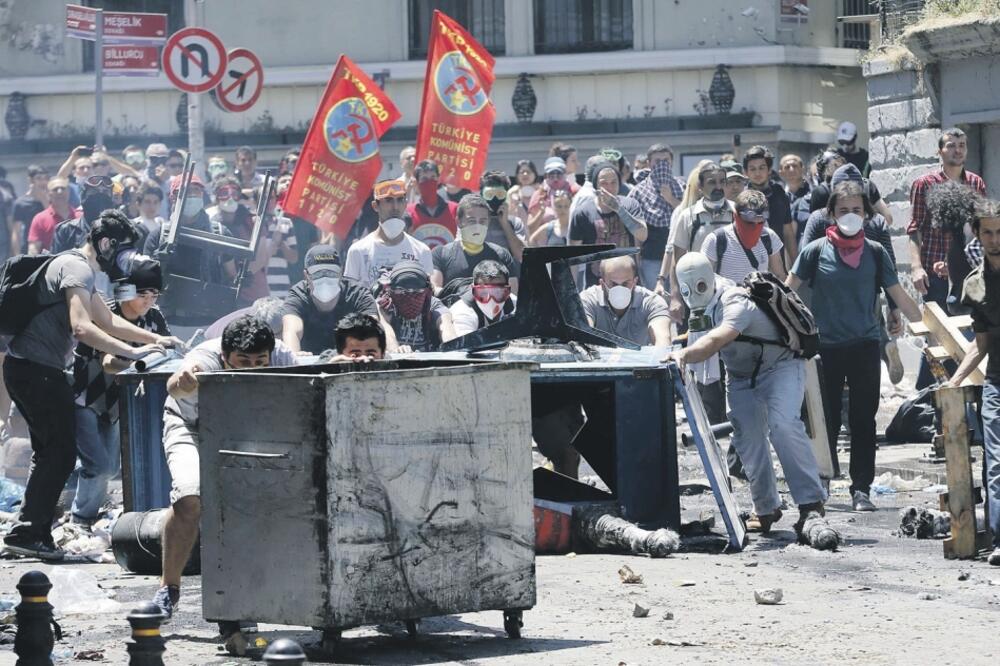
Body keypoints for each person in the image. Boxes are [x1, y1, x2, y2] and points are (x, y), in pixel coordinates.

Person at [2, 211, 177, 560]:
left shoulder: (84, 272)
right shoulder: (76, 268)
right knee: (62, 453)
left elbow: (108, 319)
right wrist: (132, 351)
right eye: (124, 251)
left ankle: (28, 530)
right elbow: (82, 327)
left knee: (52, 451)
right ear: (107, 243)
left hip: (30, 368)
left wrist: (157, 339)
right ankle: (30, 531)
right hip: (37, 370)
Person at [151, 316, 298, 624]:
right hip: (190, 426)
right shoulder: (203, 358)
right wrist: (184, 381)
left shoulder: (284, 357)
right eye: (242, 362)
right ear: (224, 357)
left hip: (244, 431)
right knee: (190, 497)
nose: (252, 369)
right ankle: (168, 588)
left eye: (260, 362)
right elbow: (175, 385)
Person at [669, 252, 828, 536]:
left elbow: (716, 340)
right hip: (741, 376)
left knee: (782, 425)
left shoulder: (733, 300)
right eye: (687, 289)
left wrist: (684, 355)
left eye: (700, 287)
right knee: (747, 437)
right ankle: (766, 508)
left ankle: (810, 503)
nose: (694, 294)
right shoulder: (700, 308)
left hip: (779, 366)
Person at [788, 181, 922, 512]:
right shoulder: (815, 250)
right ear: (831, 214)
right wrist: (788, 331)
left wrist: (925, 324)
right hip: (825, 348)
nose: (851, 216)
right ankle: (822, 482)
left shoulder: (875, 253)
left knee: (863, 420)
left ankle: (861, 488)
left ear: (866, 214)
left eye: (857, 210)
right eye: (844, 210)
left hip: (865, 345)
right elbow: (788, 293)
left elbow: (899, 295)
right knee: (825, 420)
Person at [69, 256, 173, 527]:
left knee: (111, 469)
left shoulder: (154, 318)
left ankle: (86, 513)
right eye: (142, 294)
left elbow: (165, 351)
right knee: (99, 466)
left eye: (154, 294)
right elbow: (108, 363)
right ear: (126, 290)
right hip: (86, 398)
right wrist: (139, 360)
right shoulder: (106, 314)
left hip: (118, 405)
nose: (148, 301)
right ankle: (80, 521)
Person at [907, 128, 987, 387]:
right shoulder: (925, 184)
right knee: (939, 337)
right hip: (934, 273)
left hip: (967, 272)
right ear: (940, 151)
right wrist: (917, 267)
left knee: (968, 333)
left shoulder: (975, 183)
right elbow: (915, 229)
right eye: (952, 145)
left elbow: (981, 229)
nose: (958, 150)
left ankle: (959, 389)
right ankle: (928, 393)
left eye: (962, 145)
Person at [947, 198, 1000, 566]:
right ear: (978, 237)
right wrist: (954, 381)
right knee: (996, 461)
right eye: (989, 233)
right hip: (998, 380)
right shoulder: (975, 286)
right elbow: (980, 345)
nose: (996, 239)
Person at [663, 162, 732, 321]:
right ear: (700, 187)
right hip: (698, 294)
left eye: (722, 182)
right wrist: (675, 296)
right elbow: (677, 260)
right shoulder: (688, 216)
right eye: (711, 182)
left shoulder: (736, 213)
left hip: (731, 294)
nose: (718, 187)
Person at [281, 244, 379, 354]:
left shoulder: (358, 295)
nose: (325, 279)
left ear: (341, 273)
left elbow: (374, 331)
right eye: (317, 274)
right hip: (309, 365)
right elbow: (291, 330)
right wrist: (295, 356)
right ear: (306, 275)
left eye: (331, 273)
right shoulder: (298, 295)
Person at [344, 179, 434, 290]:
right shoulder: (358, 251)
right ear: (375, 206)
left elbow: (428, 296)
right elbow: (350, 296)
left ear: (405, 204)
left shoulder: (421, 251)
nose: (395, 207)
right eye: (388, 200)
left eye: (400, 200)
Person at [570, 160, 647, 288]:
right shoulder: (582, 213)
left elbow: (642, 235)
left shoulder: (630, 205)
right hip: (595, 282)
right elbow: (573, 256)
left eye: (613, 182)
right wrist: (571, 287)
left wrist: (619, 209)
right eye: (604, 183)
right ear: (596, 186)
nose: (609, 187)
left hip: (628, 280)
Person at [432, 194, 519, 296]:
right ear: (458, 222)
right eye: (471, 221)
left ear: (488, 222)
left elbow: (513, 293)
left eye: (483, 221)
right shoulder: (441, 253)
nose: (478, 226)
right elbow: (435, 289)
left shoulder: (502, 254)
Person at [628, 143, 684, 289]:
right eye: (657, 161)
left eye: (666, 161)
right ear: (649, 163)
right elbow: (633, 226)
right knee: (657, 299)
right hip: (651, 257)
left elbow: (688, 214)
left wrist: (670, 198)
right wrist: (637, 258)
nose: (662, 165)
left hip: (679, 255)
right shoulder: (638, 191)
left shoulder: (682, 186)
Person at [580, 256, 670, 346]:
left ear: (635, 282)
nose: (620, 289)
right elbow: (584, 336)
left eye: (625, 283)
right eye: (613, 284)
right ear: (602, 284)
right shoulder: (587, 300)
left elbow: (663, 339)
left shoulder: (652, 302)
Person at [702, 189, 786, 284]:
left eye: (760, 219)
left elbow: (779, 276)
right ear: (736, 215)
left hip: (759, 297)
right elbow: (704, 278)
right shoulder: (716, 240)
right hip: (727, 297)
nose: (755, 223)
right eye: (750, 218)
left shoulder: (769, 237)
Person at [379, 261, 455, 352]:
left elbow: (446, 328)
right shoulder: (385, 305)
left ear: (427, 291)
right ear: (391, 290)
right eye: (402, 291)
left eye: (417, 292)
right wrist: (397, 350)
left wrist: (452, 348)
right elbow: (385, 330)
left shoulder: (433, 304)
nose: (410, 298)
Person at [743, 145, 796, 264]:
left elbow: (788, 232)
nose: (757, 173)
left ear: (769, 170)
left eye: (762, 168)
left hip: (778, 263)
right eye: (752, 169)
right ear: (746, 172)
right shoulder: (742, 199)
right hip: (751, 265)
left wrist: (795, 264)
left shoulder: (779, 193)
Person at [449, 259, 516, 336]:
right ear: (473, 289)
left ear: (507, 291)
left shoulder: (516, 306)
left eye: (497, 292)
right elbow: (466, 347)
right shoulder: (462, 313)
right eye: (483, 293)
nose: (491, 301)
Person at [405, 160, 458, 249]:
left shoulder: (454, 209)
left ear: (438, 180)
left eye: (433, 177)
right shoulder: (409, 212)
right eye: (424, 179)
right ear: (417, 183)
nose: (429, 182)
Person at [479, 171, 526, 262]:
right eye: (489, 195)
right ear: (482, 195)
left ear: (506, 195)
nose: (494, 199)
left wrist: (505, 224)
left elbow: (522, 256)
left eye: (500, 194)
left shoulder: (515, 222)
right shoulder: (472, 221)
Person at [526, 156, 579, 238]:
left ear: (565, 174)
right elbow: (530, 230)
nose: (555, 179)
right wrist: (541, 213)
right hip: (546, 243)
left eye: (559, 174)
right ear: (546, 176)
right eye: (551, 175)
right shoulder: (539, 195)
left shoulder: (575, 191)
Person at [27, 178, 78, 255]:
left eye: (63, 188)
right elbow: (33, 249)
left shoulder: (80, 216)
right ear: (48, 193)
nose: (59, 192)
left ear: (69, 191)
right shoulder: (40, 219)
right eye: (55, 189)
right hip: (51, 265)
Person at [10, 164, 49, 257]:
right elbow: (16, 232)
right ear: (31, 180)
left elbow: (53, 217)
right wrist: (16, 255)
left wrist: (44, 199)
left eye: (46, 178)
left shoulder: (52, 199)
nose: (43, 182)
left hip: (49, 248)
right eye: (39, 178)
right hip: (29, 249)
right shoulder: (21, 203)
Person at [133, 182, 165, 249]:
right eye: (147, 202)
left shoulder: (163, 226)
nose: (152, 207)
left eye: (156, 202)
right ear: (138, 204)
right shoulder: (133, 227)